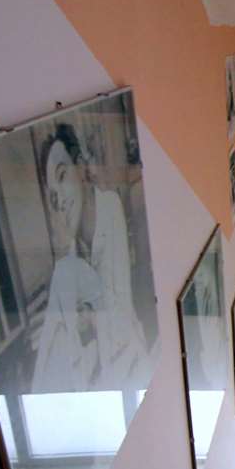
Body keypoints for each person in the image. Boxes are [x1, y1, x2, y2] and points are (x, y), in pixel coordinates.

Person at [32, 122, 149, 393]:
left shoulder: (109, 207)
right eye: (53, 196)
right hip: (102, 358)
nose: (60, 200)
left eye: (62, 176)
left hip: (126, 353)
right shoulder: (73, 248)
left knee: (64, 273)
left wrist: (86, 318)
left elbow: (119, 310)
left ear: (81, 168)